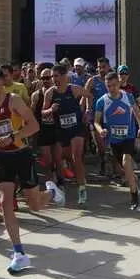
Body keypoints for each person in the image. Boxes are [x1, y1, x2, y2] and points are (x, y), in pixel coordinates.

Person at [0, 65, 65, 274]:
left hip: (22, 156)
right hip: (2, 159)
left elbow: (34, 126)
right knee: (6, 202)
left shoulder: (13, 100)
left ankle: (51, 191)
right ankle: (19, 253)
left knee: (34, 205)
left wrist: (13, 137)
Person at [94, 72, 140, 210]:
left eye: (114, 85)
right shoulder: (102, 101)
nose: (112, 88)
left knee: (126, 161)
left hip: (129, 136)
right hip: (114, 140)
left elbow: (136, 112)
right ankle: (133, 179)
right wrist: (100, 131)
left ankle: (134, 196)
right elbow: (96, 122)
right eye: (109, 86)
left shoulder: (128, 97)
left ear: (119, 84)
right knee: (125, 169)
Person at [43, 64, 91, 204]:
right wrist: (50, 110)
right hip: (61, 129)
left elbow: (89, 95)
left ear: (65, 76)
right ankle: (61, 184)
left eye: (56, 76)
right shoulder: (50, 93)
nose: (54, 79)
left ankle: (82, 188)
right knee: (59, 159)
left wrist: (87, 111)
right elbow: (42, 112)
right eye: (52, 76)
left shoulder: (73, 89)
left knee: (76, 157)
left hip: (76, 128)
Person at [30, 67, 58, 182]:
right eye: (43, 78)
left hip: (57, 129)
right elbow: (31, 113)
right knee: (47, 157)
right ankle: (50, 177)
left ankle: (58, 174)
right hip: (42, 130)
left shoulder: (59, 92)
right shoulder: (36, 95)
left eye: (48, 78)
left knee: (58, 156)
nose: (45, 80)